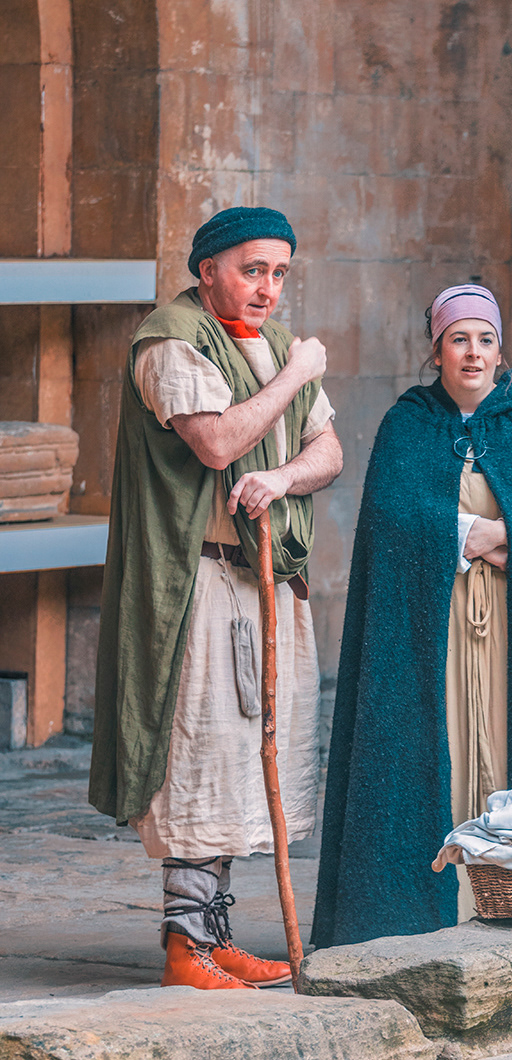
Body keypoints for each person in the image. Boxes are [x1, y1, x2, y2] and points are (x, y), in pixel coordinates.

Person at [312, 283, 512, 949]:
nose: (474, 353)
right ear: (437, 352)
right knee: (446, 745)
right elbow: (392, 524)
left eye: (485, 340)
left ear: (499, 349)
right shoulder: (408, 424)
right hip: (437, 630)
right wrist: (472, 537)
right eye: (459, 340)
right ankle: (440, 903)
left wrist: (497, 535)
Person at [89, 206, 342, 989]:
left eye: (279, 274)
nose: (267, 288)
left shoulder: (264, 343)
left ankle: (216, 932)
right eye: (252, 269)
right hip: (192, 580)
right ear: (208, 270)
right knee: (198, 754)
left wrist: (282, 477)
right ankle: (183, 948)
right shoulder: (172, 341)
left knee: (242, 759)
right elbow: (218, 441)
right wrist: (298, 375)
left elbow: (327, 450)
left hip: (262, 576)